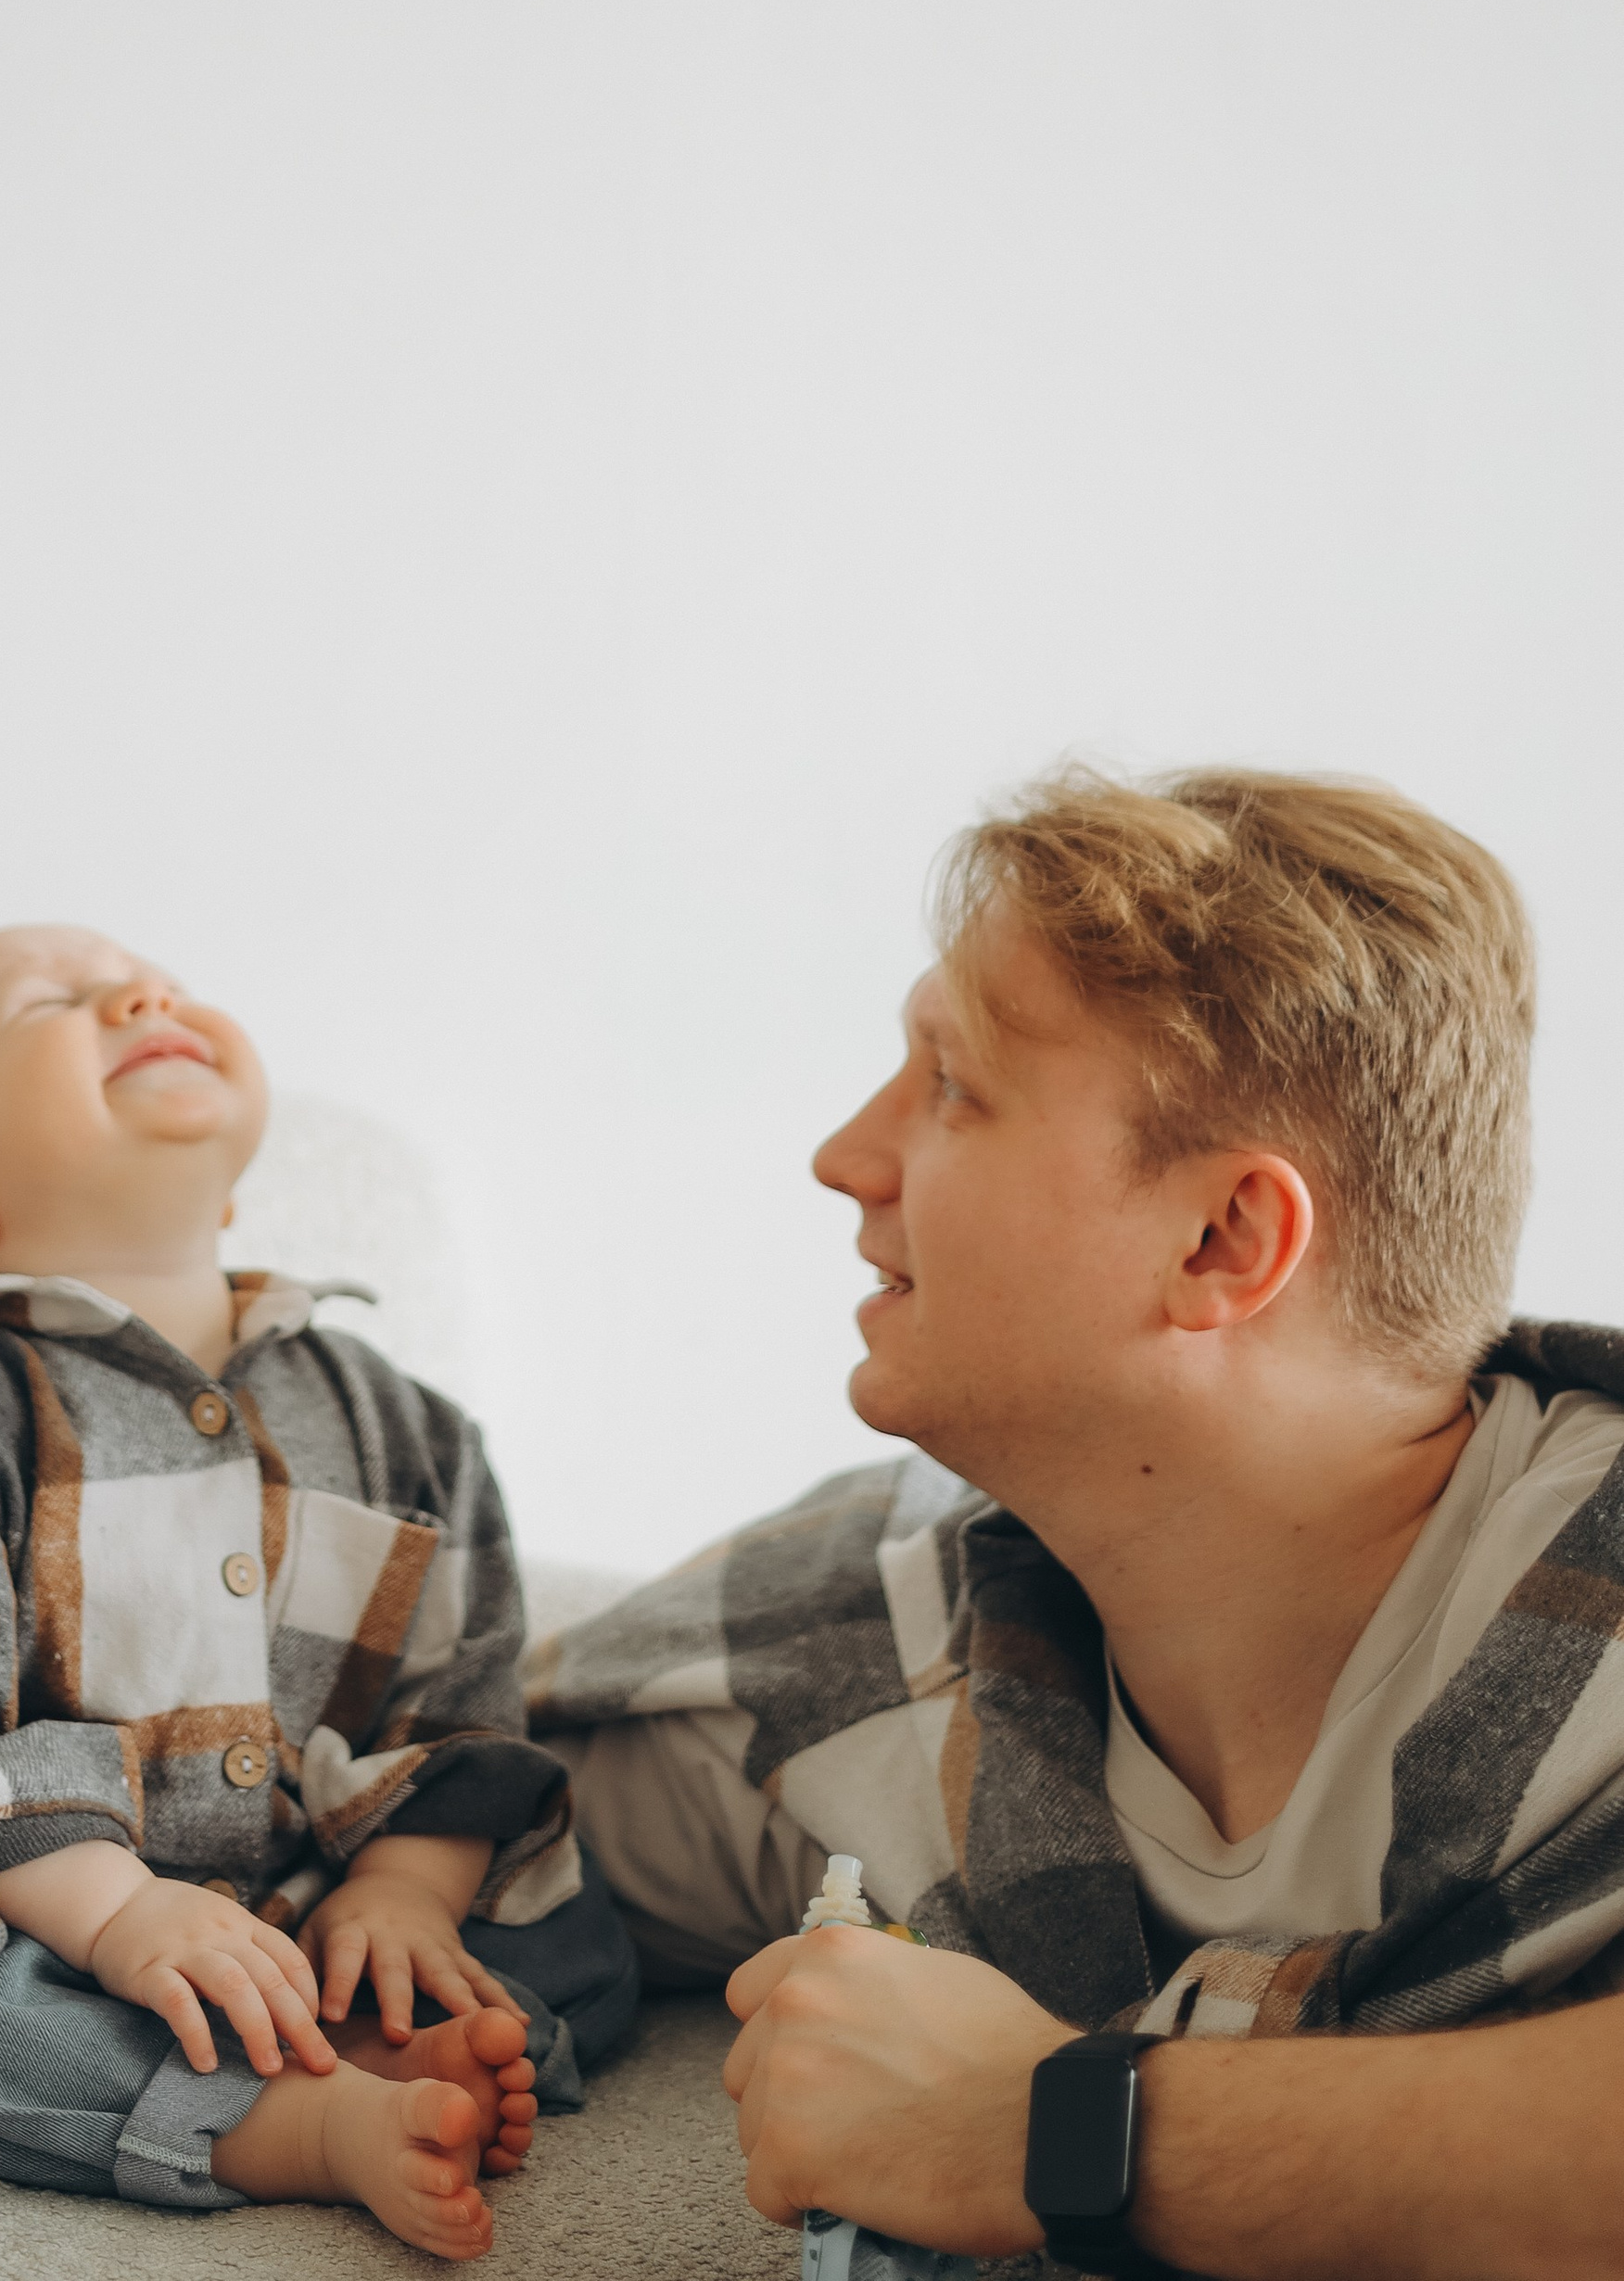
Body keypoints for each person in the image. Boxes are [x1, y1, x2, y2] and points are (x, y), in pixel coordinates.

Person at [527, 768, 1624, 2274]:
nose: (846, 1159)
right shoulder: (862, 1660)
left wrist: (1039, 2128)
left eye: (952, 1085)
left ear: (1221, 1239)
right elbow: (431, 1813)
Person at [0, 923, 634, 2256]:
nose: (146, 993)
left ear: (227, 1190)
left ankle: (359, 2020)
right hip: (9, 1923)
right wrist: (117, 1913)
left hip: (297, 1899)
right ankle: (283, 2121)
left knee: (581, 1939)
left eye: (159, 984)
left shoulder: (411, 1427)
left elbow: (460, 1709)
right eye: (55, 1003)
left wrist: (402, 1892)